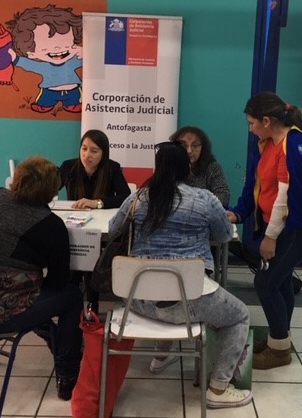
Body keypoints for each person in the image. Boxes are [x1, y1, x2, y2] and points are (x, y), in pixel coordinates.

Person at [108, 142, 252, 409]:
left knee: (162, 288)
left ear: (157, 167)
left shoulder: (138, 197)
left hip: (140, 302)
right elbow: (223, 236)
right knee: (240, 315)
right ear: (187, 168)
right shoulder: (204, 199)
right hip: (190, 302)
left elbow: (113, 228)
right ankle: (219, 389)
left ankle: (160, 358)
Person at [0, 155, 84, 400]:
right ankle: (67, 375)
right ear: (51, 191)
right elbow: (58, 281)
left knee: (26, 292)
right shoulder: (50, 225)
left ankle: (54, 338)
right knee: (72, 295)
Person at [226, 91, 302, 370]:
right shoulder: (269, 143)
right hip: (282, 227)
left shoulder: (293, 146)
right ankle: (278, 339)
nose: (249, 128)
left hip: (295, 230)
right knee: (281, 282)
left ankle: (279, 349)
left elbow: (285, 199)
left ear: (267, 121)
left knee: (266, 282)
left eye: (251, 122)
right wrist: (238, 211)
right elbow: (258, 187)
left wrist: (270, 237)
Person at [59, 129, 131, 209]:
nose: (87, 155)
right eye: (84, 149)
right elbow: (49, 188)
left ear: (103, 154)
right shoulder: (68, 167)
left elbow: (125, 196)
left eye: (94, 151)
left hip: (103, 217)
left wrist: (97, 203)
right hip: (73, 217)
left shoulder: (112, 168)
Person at [169, 126, 230, 206]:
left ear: (203, 148)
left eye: (195, 145)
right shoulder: (169, 165)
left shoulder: (212, 167)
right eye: (184, 145)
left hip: (203, 215)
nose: (189, 151)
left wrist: (196, 208)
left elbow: (223, 196)